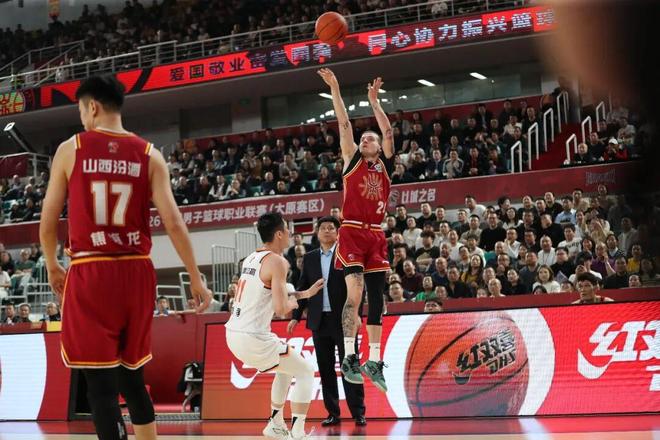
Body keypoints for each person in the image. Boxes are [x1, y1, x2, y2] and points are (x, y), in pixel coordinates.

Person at [39, 75, 212, 440]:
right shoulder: (150, 154)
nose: (82, 118)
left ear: (92, 107)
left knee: (100, 386)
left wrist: (52, 264)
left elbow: (49, 218)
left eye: (81, 110)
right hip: (136, 272)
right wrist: (195, 276)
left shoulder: (71, 149)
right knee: (132, 378)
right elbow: (174, 222)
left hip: (91, 269)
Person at [319, 68, 393, 392]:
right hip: (350, 231)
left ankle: (373, 361)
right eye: (364, 138)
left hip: (376, 233)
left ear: (378, 146)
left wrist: (374, 102)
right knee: (356, 295)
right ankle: (350, 356)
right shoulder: (352, 159)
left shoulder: (385, 164)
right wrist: (335, 89)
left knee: (378, 300)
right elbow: (345, 124)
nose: (366, 139)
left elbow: (388, 131)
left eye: (370, 138)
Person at [226, 212, 325, 440]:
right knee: (306, 371)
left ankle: (275, 423)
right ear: (279, 234)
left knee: (285, 369)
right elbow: (281, 309)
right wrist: (295, 302)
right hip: (253, 336)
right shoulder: (278, 261)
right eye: (287, 229)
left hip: (234, 333)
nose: (290, 233)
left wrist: (305, 294)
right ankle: (298, 432)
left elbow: (268, 292)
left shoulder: (251, 258)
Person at [289, 216, 366, 427]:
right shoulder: (310, 258)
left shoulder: (347, 255)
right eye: (323, 228)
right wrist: (295, 317)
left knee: (350, 366)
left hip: (344, 320)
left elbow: (359, 288)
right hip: (319, 321)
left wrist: (357, 314)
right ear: (317, 233)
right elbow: (302, 287)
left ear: (338, 232)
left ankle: (358, 412)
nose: (327, 231)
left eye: (331, 228)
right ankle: (333, 413)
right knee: (325, 369)